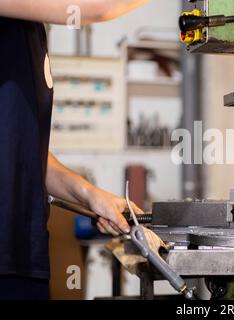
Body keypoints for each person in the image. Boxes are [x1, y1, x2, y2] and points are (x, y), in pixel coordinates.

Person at [0, 0, 150, 299]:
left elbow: (23, 153)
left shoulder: (23, 29)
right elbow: (98, 8)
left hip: (20, 257)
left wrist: (89, 195)